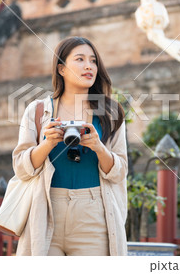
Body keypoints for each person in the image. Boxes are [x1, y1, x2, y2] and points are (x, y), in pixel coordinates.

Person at [12, 36, 128, 256]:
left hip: (94, 216)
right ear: (61, 69)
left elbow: (120, 171)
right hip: (46, 211)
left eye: (93, 61)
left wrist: (98, 147)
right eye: (80, 59)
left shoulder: (110, 113)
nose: (89, 66)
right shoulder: (37, 111)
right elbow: (20, 168)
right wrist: (47, 143)